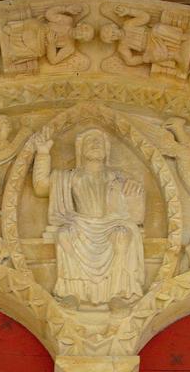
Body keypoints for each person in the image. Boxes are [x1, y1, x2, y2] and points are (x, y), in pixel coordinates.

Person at [32, 128, 145, 308]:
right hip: (81, 224)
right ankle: (72, 292)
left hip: (111, 224)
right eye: (90, 141)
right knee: (64, 234)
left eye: (99, 141)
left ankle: (118, 293)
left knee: (122, 236)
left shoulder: (118, 177)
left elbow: (136, 210)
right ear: (80, 150)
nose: (95, 144)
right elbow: (40, 187)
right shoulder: (69, 176)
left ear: (107, 150)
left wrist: (135, 189)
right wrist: (43, 154)